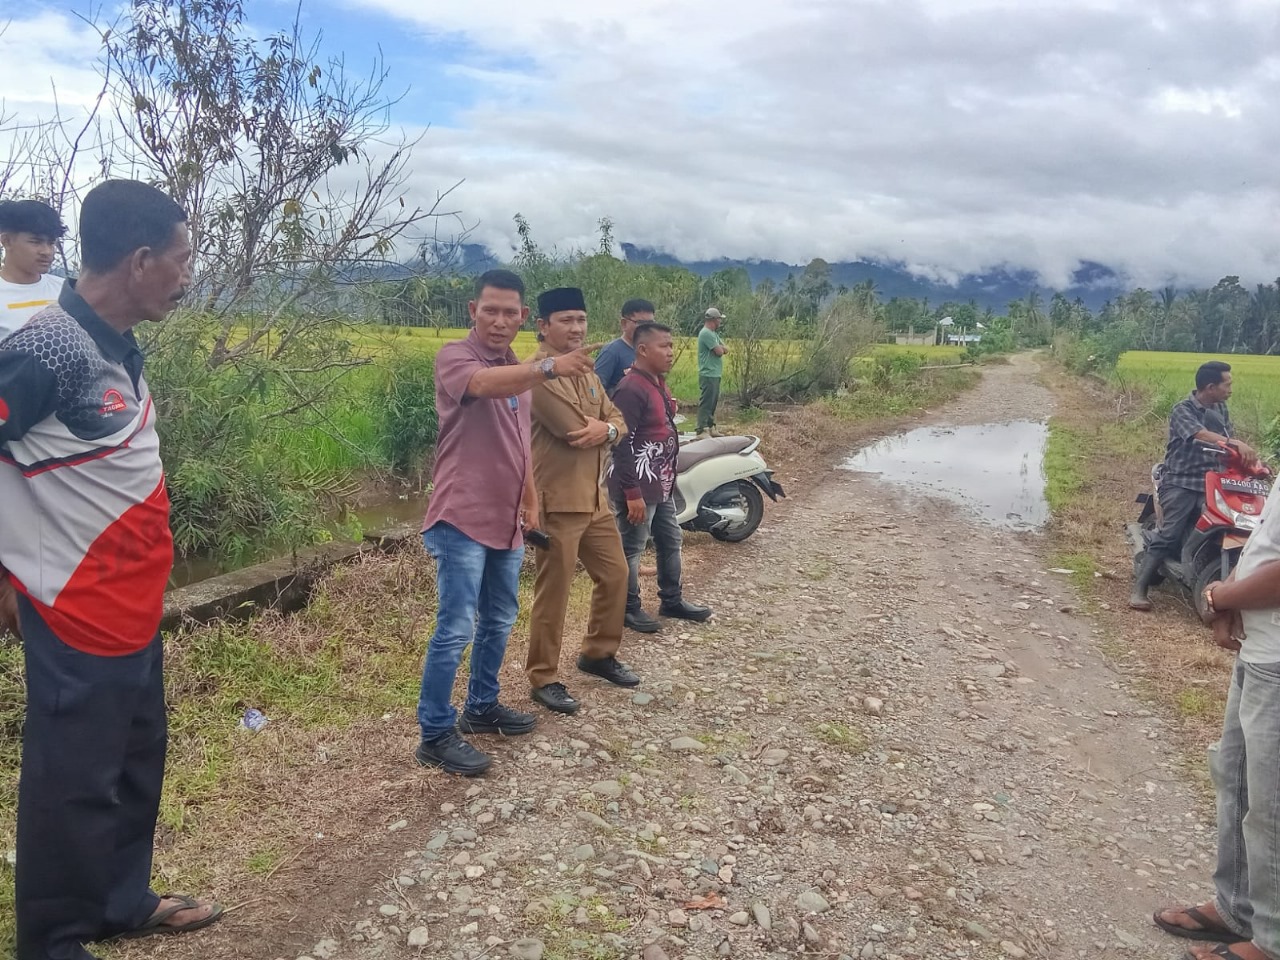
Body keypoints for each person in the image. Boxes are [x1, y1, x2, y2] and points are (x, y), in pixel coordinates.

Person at [1, 179, 221, 959]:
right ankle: (54, 940)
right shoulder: (44, 348)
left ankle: (120, 899)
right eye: (183, 256)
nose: (189, 272)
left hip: (132, 604)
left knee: (133, 760)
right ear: (139, 260)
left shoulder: (118, 343)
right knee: (72, 786)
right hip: (73, 606)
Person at [415, 269, 600, 776]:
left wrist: (531, 502)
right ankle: (434, 732)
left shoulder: (519, 369)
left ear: (522, 317)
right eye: (489, 311)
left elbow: (520, 447)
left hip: (507, 519)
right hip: (461, 516)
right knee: (455, 628)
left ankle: (481, 707)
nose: (499, 321)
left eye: (509, 312)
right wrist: (549, 368)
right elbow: (482, 385)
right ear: (473, 311)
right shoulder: (457, 358)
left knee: (498, 619)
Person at [1151, 494, 1280, 960]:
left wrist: (1218, 595)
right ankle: (1238, 910)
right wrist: (1232, 598)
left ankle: (1272, 943)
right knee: (1239, 781)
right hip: (1262, 647)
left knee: (1273, 807)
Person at [525, 286, 639, 715]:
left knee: (616, 575)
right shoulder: (537, 373)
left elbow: (617, 419)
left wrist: (607, 431)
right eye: (565, 320)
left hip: (595, 498)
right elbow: (570, 429)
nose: (576, 328)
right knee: (553, 592)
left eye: (581, 319)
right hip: (557, 500)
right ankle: (543, 676)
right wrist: (601, 429)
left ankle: (597, 653)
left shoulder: (588, 371)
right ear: (543, 325)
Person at [609, 322, 712, 632]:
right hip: (639, 482)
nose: (671, 352)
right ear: (642, 350)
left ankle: (671, 599)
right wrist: (631, 492)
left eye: (671, 345)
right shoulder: (630, 389)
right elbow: (621, 442)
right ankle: (627, 608)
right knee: (633, 547)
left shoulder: (656, 382)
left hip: (662, 483)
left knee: (671, 539)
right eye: (663, 346)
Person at [1131, 360, 1258, 611]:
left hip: (1214, 482)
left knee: (1235, 521)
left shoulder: (1220, 409)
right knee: (1169, 534)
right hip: (1181, 481)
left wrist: (1250, 464)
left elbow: (1227, 441)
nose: (1230, 389)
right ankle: (1140, 588)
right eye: (1227, 384)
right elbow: (1200, 434)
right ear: (1210, 387)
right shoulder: (1183, 409)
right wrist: (1236, 443)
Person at [0, 198, 67, 339]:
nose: (46, 251)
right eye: (36, 242)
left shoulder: (65, 291)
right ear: (7, 241)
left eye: (51, 243)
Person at [594, 298, 655, 396]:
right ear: (624, 323)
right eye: (641, 324)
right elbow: (594, 390)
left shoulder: (650, 351)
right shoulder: (611, 352)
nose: (647, 329)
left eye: (651, 324)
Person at [696, 306, 728, 438]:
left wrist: (720, 348)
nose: (720, 321)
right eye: (719, 319)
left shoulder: (714, 334)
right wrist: (720, 348)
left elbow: (726, 348)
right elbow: (720, 352)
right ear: (713, 320)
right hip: (708, 373)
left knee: (713, 402)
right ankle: (701, 430)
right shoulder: (706, 333)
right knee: (707, 402)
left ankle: (710, 427)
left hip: (715, 373)